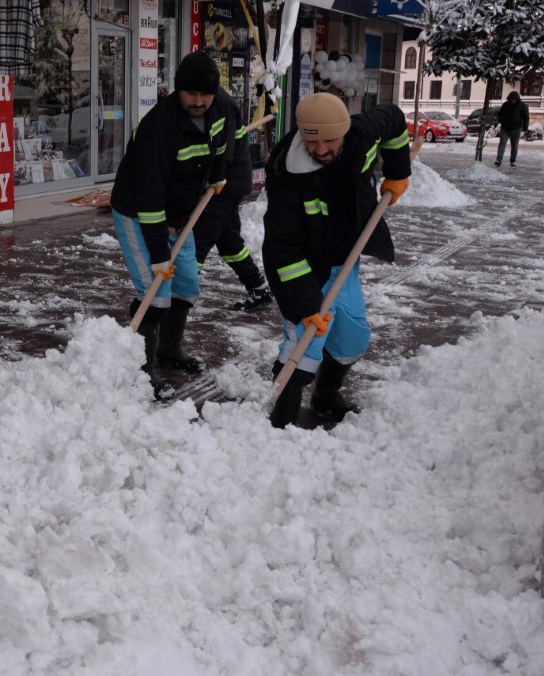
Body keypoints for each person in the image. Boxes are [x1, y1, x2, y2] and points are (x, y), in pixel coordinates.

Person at [261, 92, 411, 429]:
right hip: (304, 268)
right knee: (304, 343)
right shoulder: (288, 176)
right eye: (312, 141)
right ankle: (280, 422)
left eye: (330, 140)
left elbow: (396, 120)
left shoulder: (364, 134)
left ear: (345, 129)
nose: (320, 150)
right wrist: (304, 301)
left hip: (345, 261)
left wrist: (398, 171)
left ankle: (326, 394)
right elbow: (282, 247)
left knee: (352, 338)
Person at [109, 51, 236, 394]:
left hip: (180, 212)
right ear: (177, 91)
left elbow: (224, 141)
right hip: (138, 213)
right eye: (190, 93)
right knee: (156, 292)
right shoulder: (159, 129)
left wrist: (220, 171)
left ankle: (169, 348)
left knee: (187, 286)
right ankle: (143, 367)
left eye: (204, 94)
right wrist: (158, 255)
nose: (198, 102)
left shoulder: (220, 106)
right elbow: (150, 201)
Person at [193, 117, 272, 313]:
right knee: (229, 242)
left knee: (197, 242)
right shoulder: (211, 105)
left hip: (223, 185)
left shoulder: (220, 105)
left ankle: (177, 297)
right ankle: (258, 288)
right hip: (227, 183)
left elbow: (222, 153)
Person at [495, 91, 529, 168]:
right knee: (502, 144)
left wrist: (525, 127)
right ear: (509, 99)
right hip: (505, 128)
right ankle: (498, 160)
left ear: (517, 99)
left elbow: (526, 117)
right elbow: (500, 114)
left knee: (514, 146)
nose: (513, 101)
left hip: (516, 129)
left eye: (514, 99)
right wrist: (500, 120)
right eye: (511, 99)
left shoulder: (522, 106)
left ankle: (513, 160)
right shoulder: (505, 105)